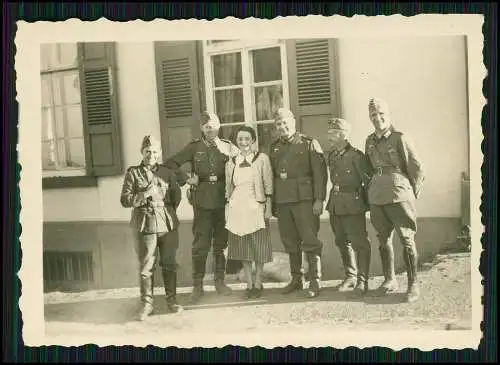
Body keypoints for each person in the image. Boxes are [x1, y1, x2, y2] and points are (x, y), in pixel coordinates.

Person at [162, 111, 239, 304]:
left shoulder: (229, 148)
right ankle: (198, 285)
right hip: (202, 202)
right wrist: (187, 179)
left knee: (222, 244)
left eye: (212, 124)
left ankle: (219, 281)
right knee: (200, 245)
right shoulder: (194, 147)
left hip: (223, 202)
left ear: (219, 125)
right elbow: (170, 164)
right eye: (205, 125)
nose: (209, 128)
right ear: (201, 128)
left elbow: (244, 167)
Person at [364, 97, 425, 302]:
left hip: (399, 193)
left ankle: (413, 284)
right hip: (377, 196)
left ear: (388, 116)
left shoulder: (400, 137)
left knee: (406, 239)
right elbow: (368, 169)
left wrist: (410, 192)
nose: (377, 118)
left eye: (381, 114)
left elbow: (416, 168)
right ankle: (390, 280)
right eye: (373, 115)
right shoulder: (369, 141)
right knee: (383, 239)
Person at [120, 135, 183, 321]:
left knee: (169, 264)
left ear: (160, 153)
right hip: (145, 224)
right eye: (147, 151)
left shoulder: (167, 172)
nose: (151, 155)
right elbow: (125, 200)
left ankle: (172, 300)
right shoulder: (133, 173)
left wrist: (165, 211)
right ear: (142, 152)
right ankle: (147, 303)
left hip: (167, 223)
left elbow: (175, 197)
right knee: (146, 266)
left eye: (155, 152)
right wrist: (144, 194)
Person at [269, 108, 328, 298]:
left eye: (285, 122)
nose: (282, 127)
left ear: (293, 122)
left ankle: (315, 279)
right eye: (278, 124)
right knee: (290, 241)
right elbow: (273, 176)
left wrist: (319, 199)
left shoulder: (308, 143)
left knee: (310, 240)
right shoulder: (275, 147)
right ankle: (296, 279)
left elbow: (320, 174)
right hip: (284, 201)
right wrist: (275, 204)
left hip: (305, 201)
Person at [225, 125, 274, 299]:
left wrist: (268, 205)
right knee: (243, 246)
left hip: (256, 205)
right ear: (236, 141)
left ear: (253, 140)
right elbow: (228, 187)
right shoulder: (231, 162)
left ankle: (258, 282)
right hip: (238, 206)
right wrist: (229, 207)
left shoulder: (262, 159)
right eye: (240, 139)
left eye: (247, 138)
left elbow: (268, 184)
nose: (244, 142)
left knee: (258, 245)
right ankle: (249, 283)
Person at [325, 118, 372, 295]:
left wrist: (365, 205)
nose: (329, 136)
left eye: (333, 133)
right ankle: (350, 276)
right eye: (329, 132)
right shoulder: (332, 155)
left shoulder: (356, 156)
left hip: (353, 203)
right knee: (341, 241)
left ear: (344, 135)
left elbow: (367, 182)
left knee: (360, 242)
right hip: (335, 203)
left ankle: (362, 280)